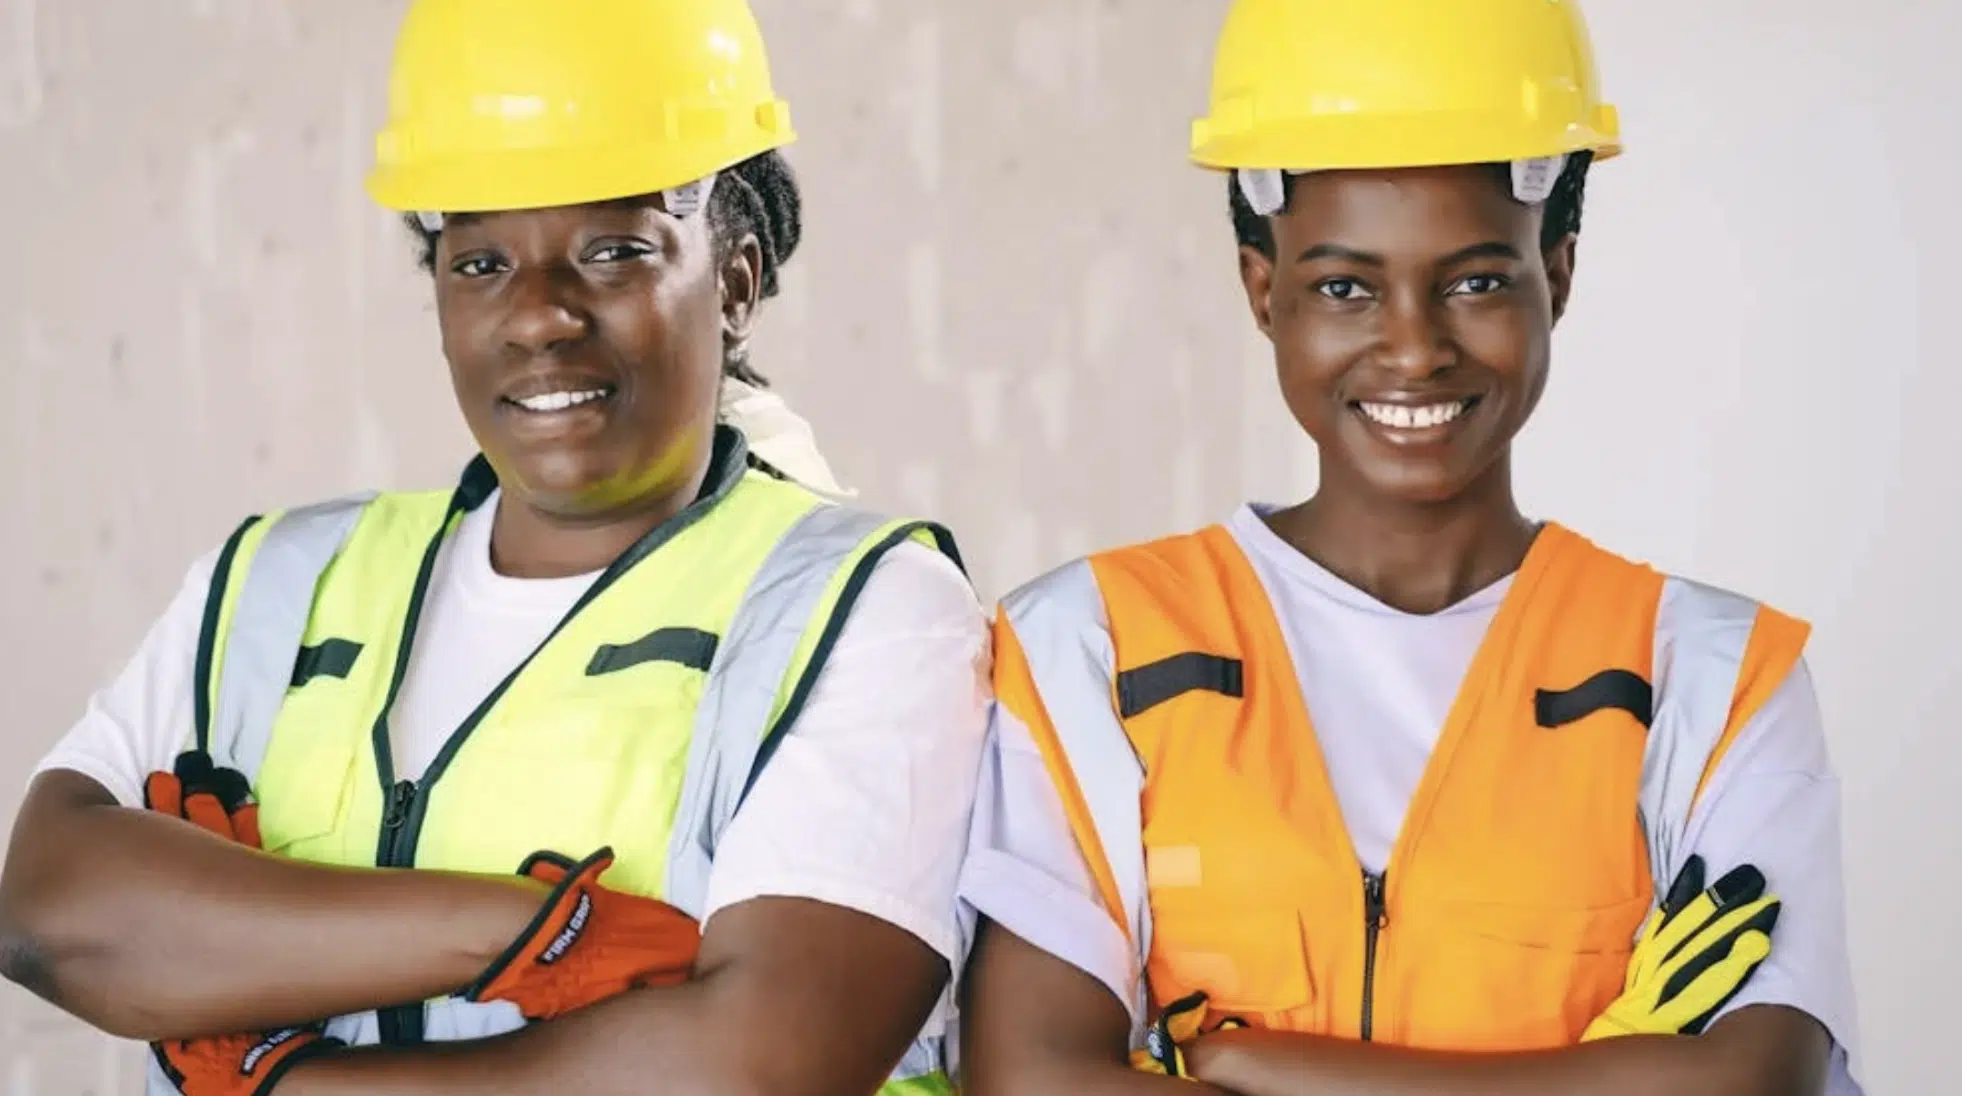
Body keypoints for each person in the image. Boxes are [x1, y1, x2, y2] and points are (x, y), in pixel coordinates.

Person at [0, 2, 988, 1094]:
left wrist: (280, 1066)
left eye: (614, 251)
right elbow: (49, 911)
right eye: (480, 263)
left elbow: (755, 1064)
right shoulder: (277, 585)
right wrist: (532, 931)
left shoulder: (865, 608)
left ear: (736, 281)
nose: (538, 317)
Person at [955, 1, 1864, 1094]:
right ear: (1264, 294)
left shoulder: (1709, 678)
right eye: (1345, 288)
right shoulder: (1091, 649)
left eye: (1476, 281)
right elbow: (1033, 1077)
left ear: (1557, 277)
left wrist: (1244, 1061)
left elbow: (1754, 1079)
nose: (1415, 348)